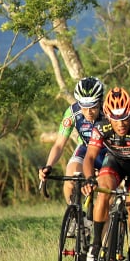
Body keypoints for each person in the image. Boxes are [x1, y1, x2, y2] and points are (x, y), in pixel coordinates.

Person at [83, 87, 130, 261]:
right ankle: (96, 245)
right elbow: (90, 157)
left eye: (126, 118)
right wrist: (89, 179)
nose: (121, 124)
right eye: (116, 119)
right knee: (104, 192)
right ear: (107, 116)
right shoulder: (101, 128)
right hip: (115, 163)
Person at [39, 77, 106, 209]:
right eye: (84, 107)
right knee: (71, 178)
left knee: (105, 190)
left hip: (106, 151)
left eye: (93, 106)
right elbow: (59, 145)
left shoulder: (108, 112)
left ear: (100, 102)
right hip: (85, 148)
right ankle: (74, 217)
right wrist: (48, 166)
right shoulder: (72, 112)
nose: (88, 112)